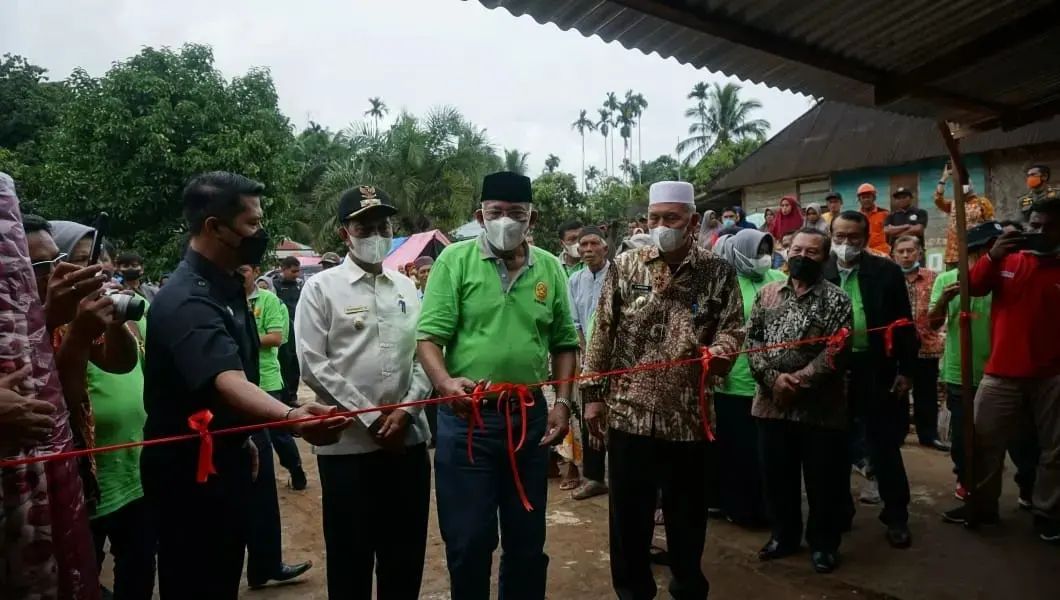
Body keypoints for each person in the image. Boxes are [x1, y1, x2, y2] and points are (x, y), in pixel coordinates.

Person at [140, 171, 350, 598]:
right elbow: (226, 381)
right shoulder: (187, 298)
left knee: (223, 572)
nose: (261, 233)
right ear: (215, 227)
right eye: (252, 224)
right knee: (197, 580)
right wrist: (291, 416)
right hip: (189, 473)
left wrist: (243, 436)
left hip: (226, 455)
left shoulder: (228, 286)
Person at [417, 171, 578, 599]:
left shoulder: (550, 267)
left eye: (516, 213)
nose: (505, 220)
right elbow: (429, 338)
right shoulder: (454, 261)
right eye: (496, 213)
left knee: (527, 541)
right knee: (469, 540)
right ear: (479, 216)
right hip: (467, 419)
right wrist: (445, 382)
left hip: (528, 418)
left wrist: (563, 402)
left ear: (532, 218)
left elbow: (564, 343)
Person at [583, 181, 744, 600]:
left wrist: (722, 351)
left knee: (687, 514)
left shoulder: (717, 271)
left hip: (688, 414)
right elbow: (602, 331)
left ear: (692, 221)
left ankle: (688, 585)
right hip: (628, 410)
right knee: (629, 515)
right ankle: (633, 591)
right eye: (654, 218)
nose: (660, 226)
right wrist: (593, 395)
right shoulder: (627, 266)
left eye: (670, 218)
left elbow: (732, 329)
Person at [296, 185, 433, 598]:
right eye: (364, 226)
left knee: (404, 558)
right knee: (350, 558)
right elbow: (313, 363)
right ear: (345, 233)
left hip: (407, 443)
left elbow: (425, 353)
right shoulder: (321, 288)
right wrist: (372, 418)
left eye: (383, 225)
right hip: (348, 449)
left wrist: (406, 411)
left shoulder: (407, 288)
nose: (375, 234)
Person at [0, 181, 99, 600]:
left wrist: (74, 332)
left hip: (58, 494)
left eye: (57, 261)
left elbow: (60, 404)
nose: (57, 275)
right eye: (35, 269)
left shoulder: (34, 328)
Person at [941, 199, 1060, 543]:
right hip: (1002, 371)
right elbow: (971, 288)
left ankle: (1048, 512)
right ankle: (981, 505)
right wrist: (992, 256)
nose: (1037, 232)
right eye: (1032, 225)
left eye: (1046, 226)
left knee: (1055, 448)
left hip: (1052, 373)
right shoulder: (1007, 260)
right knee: (982, 440)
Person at [748, 228, 853, 574]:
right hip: (770, 403)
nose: (801, 257)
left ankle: (824, 545)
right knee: (777, 477)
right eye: (796, 249)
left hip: (820, 408)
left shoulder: (838, 299)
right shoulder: (766, 294)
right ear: (786, 251)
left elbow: (837, 350)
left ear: (824, 258)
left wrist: (800, 381)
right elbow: (753, 342)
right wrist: (774, 379)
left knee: (824, 481)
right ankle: (784, 536)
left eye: (811, 252)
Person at [825, 210, 918, 549]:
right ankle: (839, 510)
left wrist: (906, 371)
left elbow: (904, 325)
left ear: (865, 239)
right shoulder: (821, 269)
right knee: (834, 444)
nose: (845, 244)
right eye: (839, 237)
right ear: (830, 236)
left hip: (876, 368)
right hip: (831, 370)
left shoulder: (885, 271)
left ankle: (896, 516)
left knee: (884, 445)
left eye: (853, 238)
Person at [236, 263, 312, 589]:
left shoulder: (268, 301)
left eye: (244, 268)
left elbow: (277, 338)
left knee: (271, 454)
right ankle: (259, 564)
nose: (239, 274)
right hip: (231, 394)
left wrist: (240, 336)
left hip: (265, 385)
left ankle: (264, 563)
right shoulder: (213, 301)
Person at [927, 222, 1007, 501]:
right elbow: (932, 323)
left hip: (1001, 371)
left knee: (1001, 437)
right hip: (960, 371)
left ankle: (1003, 488)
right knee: (963, 437)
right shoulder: (946, 279)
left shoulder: (1004, 278)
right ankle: (965, 478)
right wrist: (944, 300)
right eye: (986, 248)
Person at [712, 228, 785, 528]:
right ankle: (739, 508)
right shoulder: (723, 285)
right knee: (738, 452)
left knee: (769, 453)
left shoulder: (780, 280)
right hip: (735, 379)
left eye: (766, 251)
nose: (762, 258)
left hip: (774, 379)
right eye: (756, 252)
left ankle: (771, 508)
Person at [566, 226, 610, 501]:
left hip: (617, 357)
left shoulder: (619, 274)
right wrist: (585, 354)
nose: (588, 249)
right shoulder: (574, 280)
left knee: (616, 417)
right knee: (588, 415)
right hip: (588, 357)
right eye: (583, 244)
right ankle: (594, 477)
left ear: (605, 248)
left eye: (594, 243)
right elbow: (574, 321)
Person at [892, 236, 946, 451]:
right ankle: (899, 432)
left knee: (927, 392)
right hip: (898, 346)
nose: (906, 256)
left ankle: (928, 434)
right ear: (893, 254)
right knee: (899, 391)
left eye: (910, 251)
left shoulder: (933, 278)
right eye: (901, 251)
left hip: (927, 343)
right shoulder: (889, 277)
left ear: (920, 253)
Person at [934, 163, 995, 267]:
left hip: (974, 250)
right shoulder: (954, 203)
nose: (964, 186)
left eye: (966, 183)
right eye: (959, 184)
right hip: (954, 253)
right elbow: (938, 200)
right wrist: (944, 178)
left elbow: (991, 225)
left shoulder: (982, 202)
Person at [272, 255, 303, 409]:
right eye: (293, 271)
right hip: (282, 332)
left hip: (298, 330)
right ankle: (282, 397)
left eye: (298, 271)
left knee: (295, 365)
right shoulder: (274, 286)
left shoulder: (300, 285)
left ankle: (292, 396)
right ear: (283, 270)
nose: (296, 274)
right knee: (284, 364)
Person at [855, 183, 891, 255]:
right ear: (859, 199)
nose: (866, 200)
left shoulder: (885, 213)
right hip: (863, 252)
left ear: (874, 198)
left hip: (883, 252)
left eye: (868, 197)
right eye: (863, 197)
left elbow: (890, 234)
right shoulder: (856, 216)